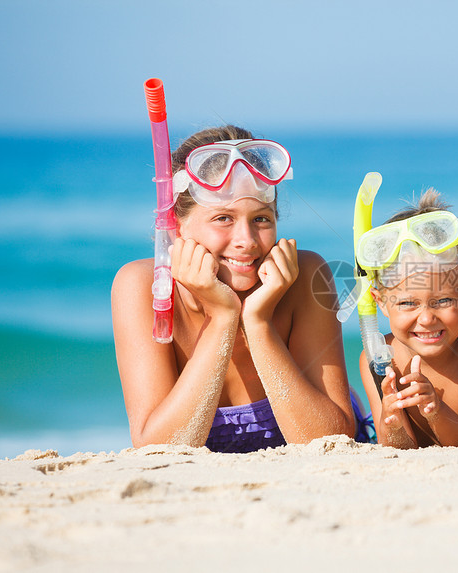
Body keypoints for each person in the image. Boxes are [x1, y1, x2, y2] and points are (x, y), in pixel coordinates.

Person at [112, 125, 362, 453]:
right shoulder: (143, 287)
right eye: (223, 219)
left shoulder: (306, 276)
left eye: (261, 219)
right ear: (175, 225)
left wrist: (258, 323)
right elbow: (159, 450)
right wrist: (222, 316)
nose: (246, 241)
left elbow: (331, 443)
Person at [358, 189, 458, 448]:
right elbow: (398, 449)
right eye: (407, 303)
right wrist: (391, 422)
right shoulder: (379, 357)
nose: (427, 319)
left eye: (443, 301)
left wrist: (437, 411)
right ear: (380, 301)